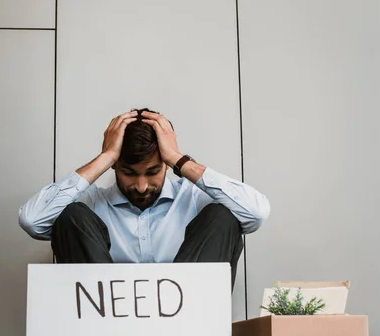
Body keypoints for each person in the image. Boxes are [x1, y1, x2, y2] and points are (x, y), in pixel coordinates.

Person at [19, 108, 270, 289]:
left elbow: (255, 213)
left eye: (152, 172)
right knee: (70, 215)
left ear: (165, 165)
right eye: (129, 173)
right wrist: (105, 157)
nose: (141, 186)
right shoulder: (92, 204)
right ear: (115, 166)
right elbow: (33, 220)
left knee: (223, 215)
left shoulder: (193, 198)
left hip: (187, 331)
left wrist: (177, 159)